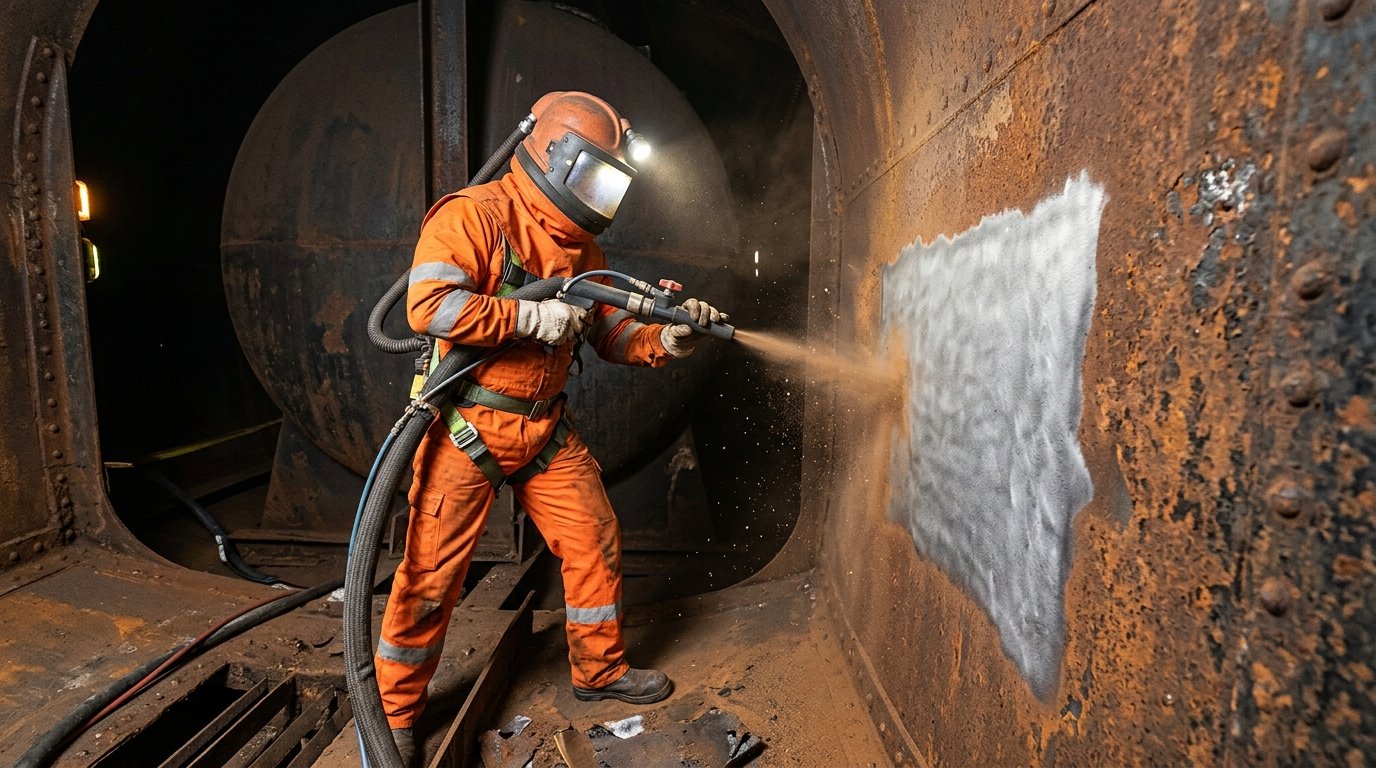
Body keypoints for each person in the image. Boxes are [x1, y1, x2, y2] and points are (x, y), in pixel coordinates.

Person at [376, 91, 725, 763]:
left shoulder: (583, 248)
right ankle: (395, 712)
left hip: (542, 429)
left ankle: (600, 671)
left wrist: (666, 340)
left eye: (607, 182)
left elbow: (610, 332)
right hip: (468, 425)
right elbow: (429, 306)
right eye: (590, 176)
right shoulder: (474, 215)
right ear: (553, 156)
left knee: (593, 537)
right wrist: (527, 317)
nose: (595, 194)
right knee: (429, 575)